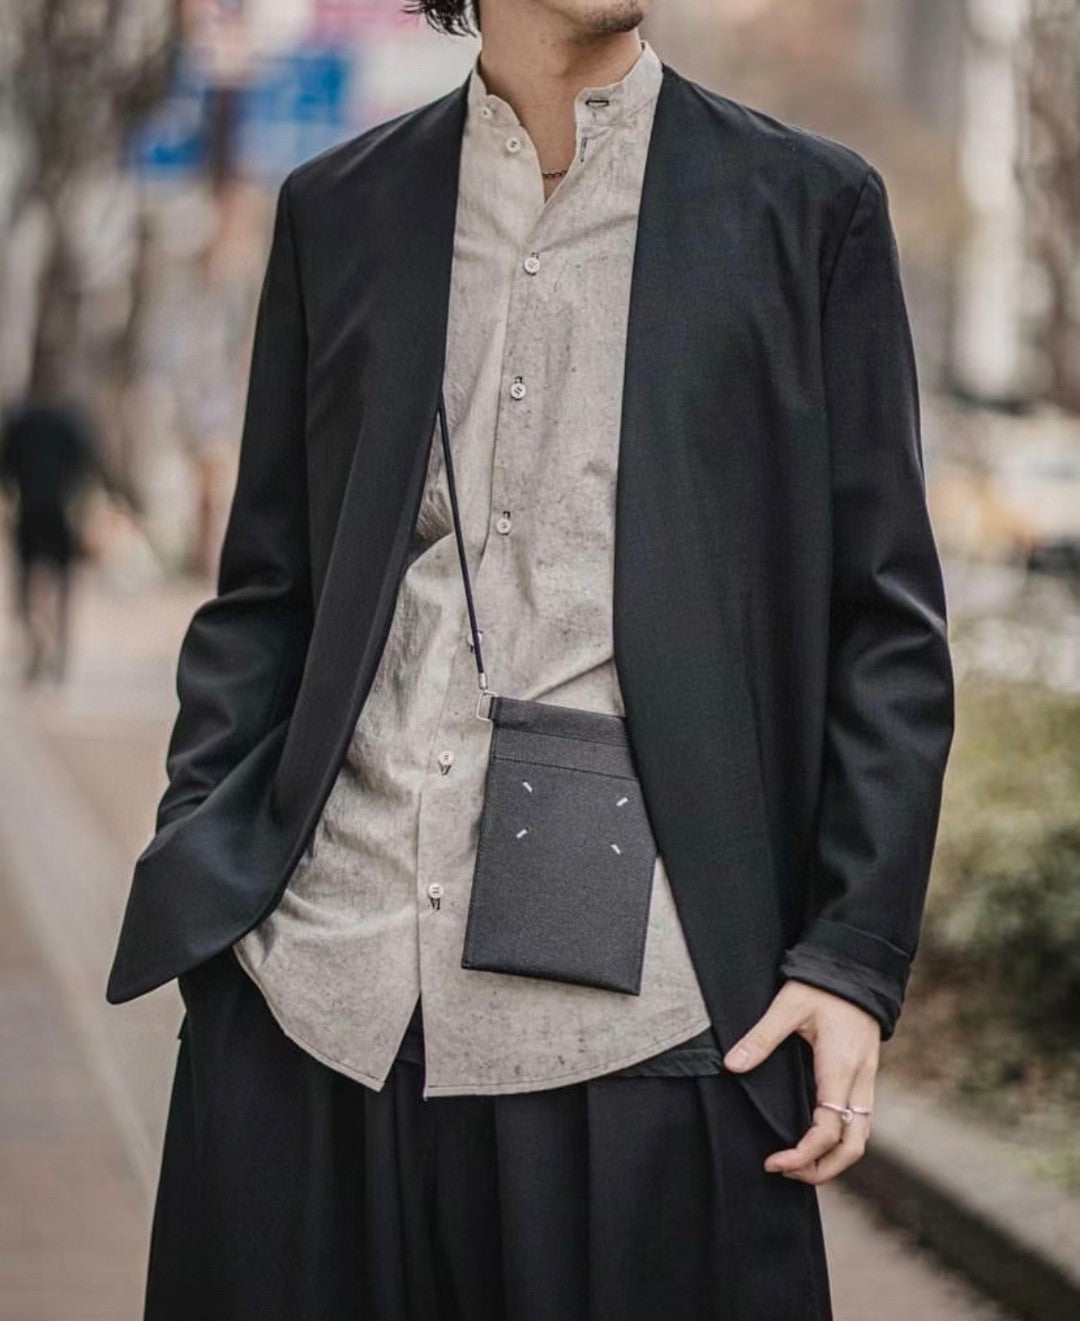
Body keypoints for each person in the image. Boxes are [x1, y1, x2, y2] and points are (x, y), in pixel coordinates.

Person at [107, 3, 955, 1317]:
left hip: (648, 1028)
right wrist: (207, 856)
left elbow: (885, 620)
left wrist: (850, 956)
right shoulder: (340, 209)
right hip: (317, 1000)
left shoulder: (806, 209)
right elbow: (267, 591)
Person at [0, 373, 106, 683]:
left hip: (32, 511)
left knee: (29, 585)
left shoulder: (21, 422)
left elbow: (5, 469)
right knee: (60, 586)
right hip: (57, 513)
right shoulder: (67, 422)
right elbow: (87, 466)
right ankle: (56, 647)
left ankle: (40, 645)